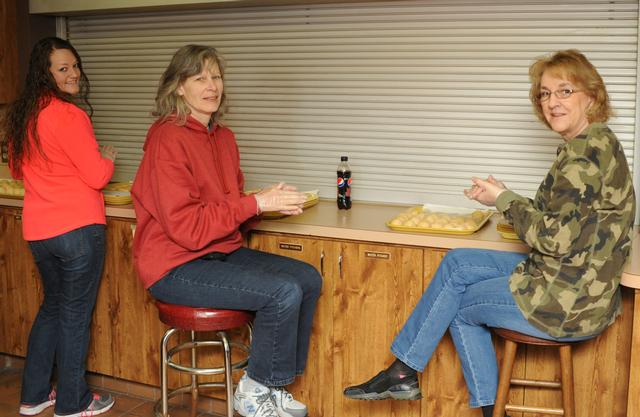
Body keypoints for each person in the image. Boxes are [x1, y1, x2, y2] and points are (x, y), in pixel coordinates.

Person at [343, 49, 636, 417]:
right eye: (544, 93)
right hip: (575, 284)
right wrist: (502, 196)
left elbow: (554, 238)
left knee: (458, 307)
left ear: (591, 97)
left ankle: (475, 406)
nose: (551, 102)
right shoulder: (595, 143)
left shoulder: (581, 158)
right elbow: (566, 217)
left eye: (564, 91)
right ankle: (403, 371)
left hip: (568, 305)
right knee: (459, 262)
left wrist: (504, 199)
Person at [131, 44, 322, 417]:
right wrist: (254, 203)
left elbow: (227, 208)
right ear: (178, 87)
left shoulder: (224, 137)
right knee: (282, 293)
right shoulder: (166, 138)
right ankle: (255, 390)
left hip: (220, 252)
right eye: (199, 77)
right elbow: (186, 226)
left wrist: (271, 207)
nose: (211, 85)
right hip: (175, 265)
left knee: (308, 278)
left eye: (216, 76)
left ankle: (273, 385)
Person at [2, 37, 117, 416]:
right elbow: (97, 175)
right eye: (62, 69)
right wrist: (108, 158)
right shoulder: (69, 116)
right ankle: (73, 402)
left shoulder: (24, 115)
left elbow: (18, 171)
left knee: (52, 309)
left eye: (74, 66)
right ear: (45, 74)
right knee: (74, 316)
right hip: (78, 230)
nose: (73, 74)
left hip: (39, 232)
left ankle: (34, 396)